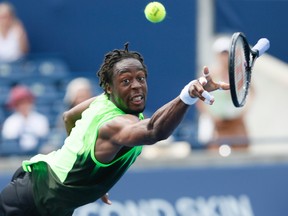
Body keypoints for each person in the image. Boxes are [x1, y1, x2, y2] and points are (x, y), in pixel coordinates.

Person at [0, 43, 229, 216]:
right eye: (126, 81)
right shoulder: (115, 125)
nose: (136, 85)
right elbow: (154, 130)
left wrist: (90, 170)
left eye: (140, 78)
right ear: (110, 87)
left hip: (47, 200)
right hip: (28, 201)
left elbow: (68, 116)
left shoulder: (102, 100)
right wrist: (186, 97)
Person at [197, 36, 251, 151]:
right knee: (215, 155)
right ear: (217, 55)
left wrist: (243, 112)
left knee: (243, 152)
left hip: (236, 122)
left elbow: (253, 92)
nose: (225, 57)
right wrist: (212, 117)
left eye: (227, 53)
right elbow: (199, 100)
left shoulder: (240, 74)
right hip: (217, 124)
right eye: (222, 53)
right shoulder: (209, 76)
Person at [1, 85, 50, 153]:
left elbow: (43, 137)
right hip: (15, 156)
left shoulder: (41, 119)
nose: (24, 106)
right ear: (16, 105)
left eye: (26, 102)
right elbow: (9, 139)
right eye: (20, 103)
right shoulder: (10, 121)